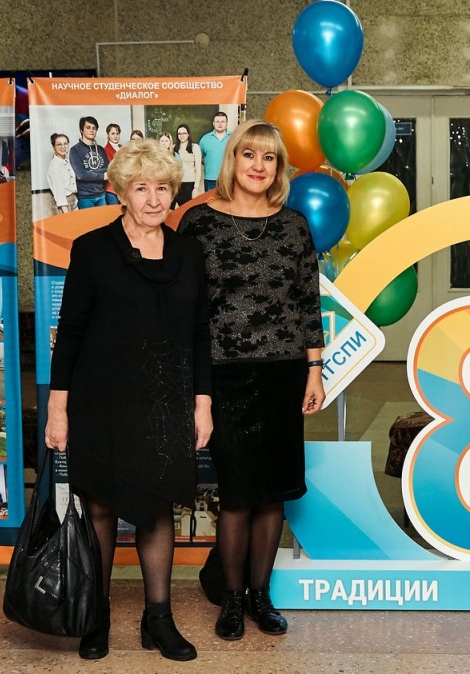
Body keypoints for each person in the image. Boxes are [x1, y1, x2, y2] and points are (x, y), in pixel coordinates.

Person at [45, 138, 212, 662]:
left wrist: (203, 404)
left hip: (166, 402)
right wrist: (57, 409)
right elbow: (70, 333)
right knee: (99, 506)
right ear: (120, 192)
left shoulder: (189, 252)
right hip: (101, 400)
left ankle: (158, 618)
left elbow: (201, 334)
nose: (154, 199)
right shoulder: (92, 249)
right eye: (141, 188)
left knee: (157, 507)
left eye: (163, 187)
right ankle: (95, 616)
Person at [179, 119, 324, 641]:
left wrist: (314, 370)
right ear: (232, 160)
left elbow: (308, 302)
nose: (258, 166)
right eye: (249, 155)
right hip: (223, 374)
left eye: (269, 158)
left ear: (278, 168)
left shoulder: (294, 225)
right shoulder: (199, 222)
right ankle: (232, 599)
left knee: (273, 492)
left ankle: (262, 597)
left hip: (284, 371)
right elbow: (185, 305)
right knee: (238, 492)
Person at [68, 116, 108, 208]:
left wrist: (90, 172)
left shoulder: (101, 149)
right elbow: (81, 174)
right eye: (88, 127)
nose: (91, 130)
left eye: (94, 128)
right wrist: (102, 176)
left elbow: (108, 169)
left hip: (101, 195)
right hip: (85, 198)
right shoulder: (75, 150)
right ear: (81, 130)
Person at [198, 111, 231, 191]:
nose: (220, 124)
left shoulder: (233, 137)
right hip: (210, 179)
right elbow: (200, 157)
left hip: (228, 178)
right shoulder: (205, 139)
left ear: (226, 123)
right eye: (217, 121)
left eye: (223, 121)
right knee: (210, 199)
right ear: (213, 123)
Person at [173, 124, 203, 208]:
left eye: (184, 133)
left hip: (189, 183)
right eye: (179, 134)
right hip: (177, 183)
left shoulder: (195, 147)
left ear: (188, 134)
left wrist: (196, 187)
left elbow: (198, 169)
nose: (182, 136)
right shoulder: (174, 148)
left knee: (187, 209)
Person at [46, 133, 77, 214]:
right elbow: (59, 191)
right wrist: (66, 212)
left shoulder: (66, 161)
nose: (63, 147)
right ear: (53, 147)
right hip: (64, 204)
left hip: (73, 199)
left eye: (65, 144)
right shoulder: (55, 165)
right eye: (59, 144)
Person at [103, 123, 123, 205]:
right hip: (111, 188)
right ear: (108, 134)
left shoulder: (123, 148)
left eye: (117, 133)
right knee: (114, 211)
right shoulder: (104, 150)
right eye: (113, 133)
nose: (115, 136)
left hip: (123, 187)